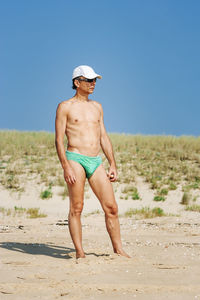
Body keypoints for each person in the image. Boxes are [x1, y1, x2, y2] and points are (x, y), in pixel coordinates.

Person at [55, 65, 130, 259]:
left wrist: (112, 163)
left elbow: (103, 136)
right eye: (88, 80)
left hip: (96, 161)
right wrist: (65, 166)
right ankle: (80, 253)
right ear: (77, 82)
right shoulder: (65, 107)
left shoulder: (97, 107)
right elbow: (58, 139)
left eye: (94, 80)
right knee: (77, 208)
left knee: (111, 208)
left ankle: (118, 250)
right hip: (75, 159)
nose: (93, 83)